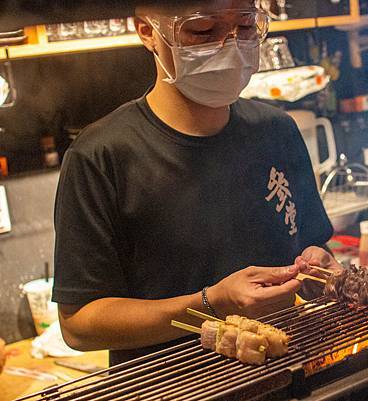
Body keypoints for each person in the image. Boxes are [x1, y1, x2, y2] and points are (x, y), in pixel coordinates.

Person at [53, 0, 340, 366]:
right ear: (148, 32)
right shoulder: (100, 156)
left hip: (289, 372)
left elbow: (312, 248)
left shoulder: (276, 130)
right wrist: (212, 303)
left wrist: (321, 273)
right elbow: (79, 325)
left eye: (247, 27)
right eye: (203, 30)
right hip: (170, 387)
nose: (230, 45)